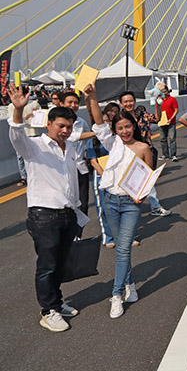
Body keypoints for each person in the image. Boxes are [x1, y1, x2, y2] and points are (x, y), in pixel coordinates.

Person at [8, 83, 83, 332]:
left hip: (67, 213)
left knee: (60, 263)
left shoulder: (70, 148)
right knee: (47, 265)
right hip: (44, 215)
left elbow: (71, 181)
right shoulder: (34, 146)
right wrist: (18, 111)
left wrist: (77, 210)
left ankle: (57, 302)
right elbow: (16, 136)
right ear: (48, 123)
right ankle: (48, 311)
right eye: (60, 125)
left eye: (69, 127)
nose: (64, 131)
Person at [86, 84, 151, 319]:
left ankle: (115, 295)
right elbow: (98, 123)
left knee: (123, 249)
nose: (124, 131)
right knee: (121, 251)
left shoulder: (144, 148)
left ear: (134, 126)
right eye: (120, 128)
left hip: (131, 204)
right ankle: (130, 285)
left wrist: (142, 194)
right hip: (110, 201)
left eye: (128, 126)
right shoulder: (112, 144)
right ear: (115, 130)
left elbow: (148, 178)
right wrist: (93, 97)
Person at [119, 91, 171, 217]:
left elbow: (157, 119)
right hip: (127, 153)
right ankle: (126, 210)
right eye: (125, 101)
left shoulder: (141, 114)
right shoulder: (119, 118)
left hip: (146, 152)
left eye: (131, 101)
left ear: (135, 102)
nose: (128, 104)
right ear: (121, 103)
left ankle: (155, 206)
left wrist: (158, 105)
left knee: (148, 179)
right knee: (127, 181)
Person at [62, 91, 95, 236]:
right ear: (63, 104)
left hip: (80, 168)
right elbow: (72, 137)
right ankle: (66, 237)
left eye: (76, 102)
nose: (73, 105)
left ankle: (77, 236)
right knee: (66, 205)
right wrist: (98, 132)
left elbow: (88, 141)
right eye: (70, 102)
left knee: (83, 205)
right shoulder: (57, 123)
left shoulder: (82, 122)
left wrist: (89, 155)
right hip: (63, 170)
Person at [86, 114, 114, 248]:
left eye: (107, 121)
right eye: (101, 122)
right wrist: (105, 175)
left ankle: (124, 236)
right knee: (103, 207)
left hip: (116, 176)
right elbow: (93, 161)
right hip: (101, 177)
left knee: (120, 207)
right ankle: (108, 237)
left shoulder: (115, 138)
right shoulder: (91, 140)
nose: (104, 124)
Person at [7, 89, 41, 186]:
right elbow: (12, 121)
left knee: (36, 155)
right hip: (21, 134)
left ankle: (36, 175)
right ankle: (24, 177)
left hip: (33, 132)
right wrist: (26, 117)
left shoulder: (34, 104)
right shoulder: (11, 106)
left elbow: (42, 118)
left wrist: (38, 113)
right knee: (20, 157)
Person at [157, 83, 179, 162]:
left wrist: (171, 118)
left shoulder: (172, 99)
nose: (164, 93)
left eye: (165, 91)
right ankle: (165, 154)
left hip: (171, 122)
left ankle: (173, 155)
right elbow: (157, 111)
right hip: (162, 121)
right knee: (163, 139)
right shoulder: (159, 101)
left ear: (167, 91)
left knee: (172, 138)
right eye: (162, 92)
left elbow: (176, 110)